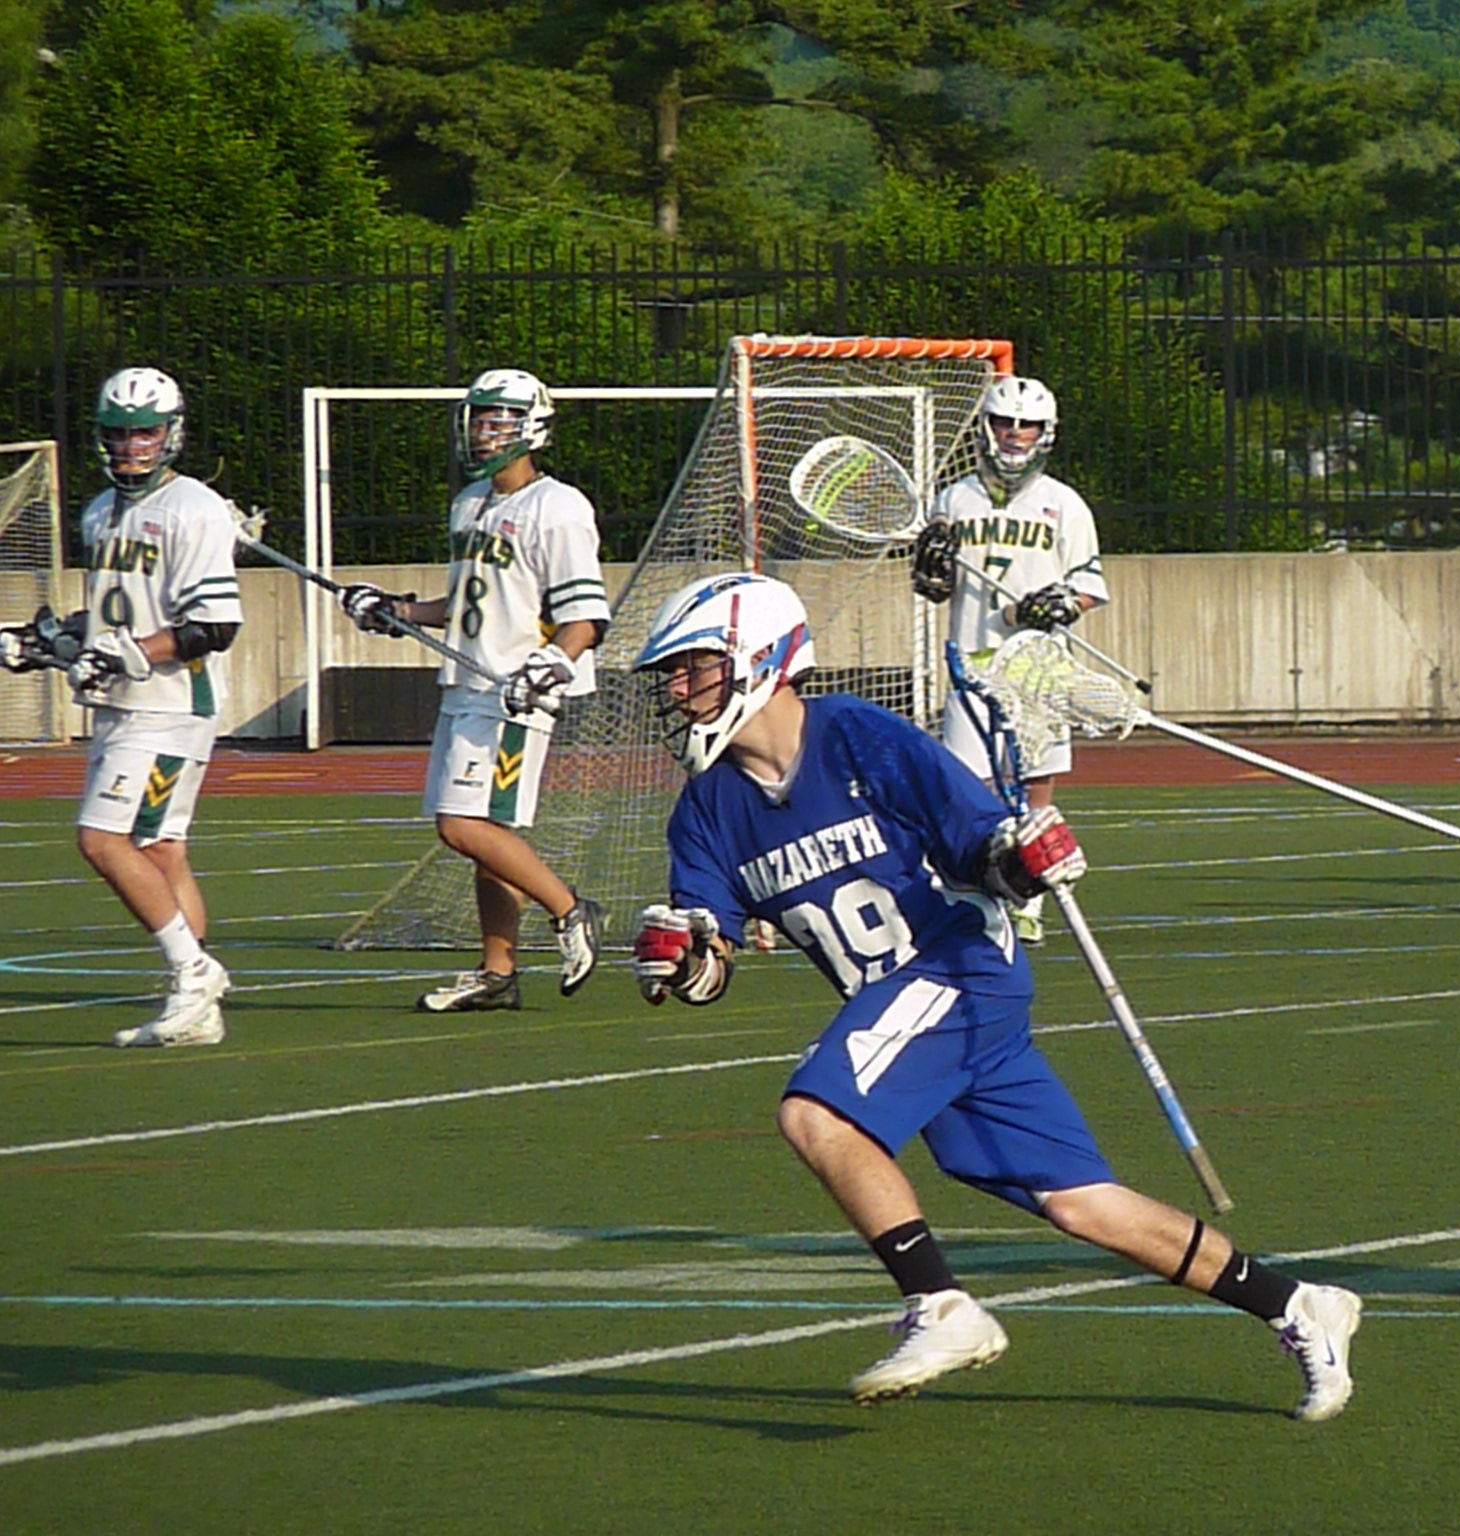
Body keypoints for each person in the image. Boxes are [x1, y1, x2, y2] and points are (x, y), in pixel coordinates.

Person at [627, 570, 1361, 1418]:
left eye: (694, 667)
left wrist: (1027, 861)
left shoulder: (860, 737)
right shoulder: (706, 811)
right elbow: (710, 957)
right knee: (1083, 1204)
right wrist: (682, 961)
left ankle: (940, 1306)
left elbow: (981, 849)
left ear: (759, 657)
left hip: (958, 968)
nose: (679, 689)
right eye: (673, 674)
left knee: (814, 1116)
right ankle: (1298, 1303)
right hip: (909, 1010)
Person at [338, 368, 610, 1011]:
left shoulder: (559, 506)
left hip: (516, 692)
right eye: (480, 419)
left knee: (460, 825)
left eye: (499, 421)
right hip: (466, 682)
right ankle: (497, 972)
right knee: (488, 836)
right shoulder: (470, 504)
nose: (484, 432)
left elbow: (585, 616)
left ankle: (572, 911)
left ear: (532, 427)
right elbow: (467, 605)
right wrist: (396, 611)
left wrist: (550, 665)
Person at [0, 368, 243, 1046]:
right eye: (119, 432)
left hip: (168, 706)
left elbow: (214, 625)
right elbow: (117, 613)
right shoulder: (102, 510)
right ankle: (199, 1008)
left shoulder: (194, 507)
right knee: (160, 849)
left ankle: (194, 972)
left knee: (101, 839)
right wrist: (49, 640)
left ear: (172, 433)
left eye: (145, 431)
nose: (132, 444)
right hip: (123, 705)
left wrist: (126, 654)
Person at [910, 375, 1108, 944]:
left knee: (1033, 782)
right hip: (971, 661)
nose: (1015, 434)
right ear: (985, 427)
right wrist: (931, 567)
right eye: (1005, 422)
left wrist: (1061, 603)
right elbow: (932, 586)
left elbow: (1089, 584)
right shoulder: (953, 498)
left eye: (1027, 425)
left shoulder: (1064, 504)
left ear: (1045, 434)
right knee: (967, 787)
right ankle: (977, 892)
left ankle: (1029, 898)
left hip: (1037, 664)